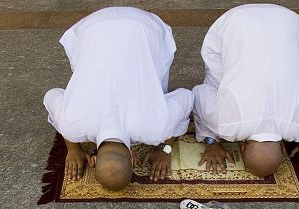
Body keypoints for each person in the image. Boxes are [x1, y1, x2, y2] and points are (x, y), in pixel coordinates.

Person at [43, 7, 194, 190]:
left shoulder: (155, 129)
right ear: (93, 160)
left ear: (133, 161)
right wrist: (73, 148)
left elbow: (187, 97)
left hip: (145, 27)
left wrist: (165, 149)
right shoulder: (72, 126)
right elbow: (52, 95)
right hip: (93, 27)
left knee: (154, 75)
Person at [192, 4, 299, 176]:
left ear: (282, 146)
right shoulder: (225, 126)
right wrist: (212, 141)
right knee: (217, 85)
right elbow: (199, 93)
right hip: (235, 21)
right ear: (242, 147)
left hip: (289, 21)